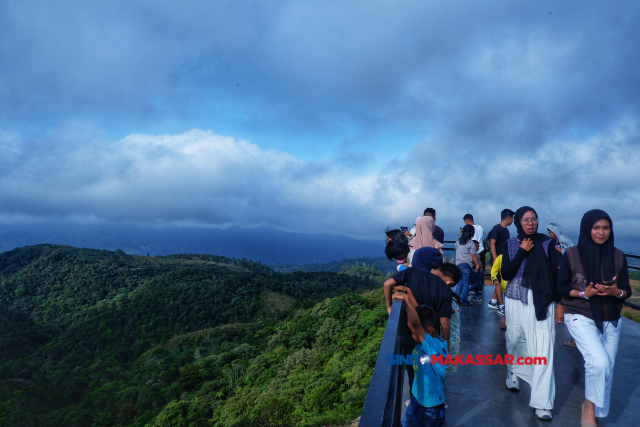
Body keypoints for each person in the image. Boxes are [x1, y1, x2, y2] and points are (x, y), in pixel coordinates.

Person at [555, 210, 632, 427]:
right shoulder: (571, 254)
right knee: (598, 363)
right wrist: (583, 293)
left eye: (606, 228)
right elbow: (561, 287)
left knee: (608, 367)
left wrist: (616, 292)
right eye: (596, 227)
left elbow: (626, 290)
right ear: (587, 229)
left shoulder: (618, 255)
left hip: (611, 316)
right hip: (579, 313)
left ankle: (596, 412)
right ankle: (588, 407)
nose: (601, 232)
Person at [501, 206, 559, 420]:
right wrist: (523, 251)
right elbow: (506, 272)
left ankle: (543, 402)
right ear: (518, 222)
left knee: (542, 349)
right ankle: (514, 371)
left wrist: (560, 303)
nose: (531, 223)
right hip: (515, 299)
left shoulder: (547, 243)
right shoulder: (510, 244)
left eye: (534, 219)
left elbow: (556, 274)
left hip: (541, 300)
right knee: (515, 340)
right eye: (526, 220)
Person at [383, 250, 453, 389]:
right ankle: (433, 399)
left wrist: (389, 307)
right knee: (432, 369)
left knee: (412, 371)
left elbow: (387, 284)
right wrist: (446, 346)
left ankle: (415, 398)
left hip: (411, 334)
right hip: (431, 336)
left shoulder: (411, 272)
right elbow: (444, 322)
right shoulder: (444, 288)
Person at [392, 290, 447, 427]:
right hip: (418, 398)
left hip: (431, 408)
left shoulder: (434, 347)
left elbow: (416, 323)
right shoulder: (430, 340)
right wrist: (409, 293)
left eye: (413, 333)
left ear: (427, 331)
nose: (413, 336)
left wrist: (405, 299)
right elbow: (417, 316)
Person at [488, 209, 514, 312]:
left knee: (500, 281)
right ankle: (501, 306)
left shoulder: (506, 230)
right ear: (508, 218)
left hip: (504, 259)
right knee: (498, 282)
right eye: (512, 218)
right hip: (498, 260)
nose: (512, 221)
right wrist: (495, 258)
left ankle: (493, 301)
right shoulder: (497, 228)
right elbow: (492, 243)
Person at [454, 224, 481, 306]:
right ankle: (464, 301)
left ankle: (456, 300)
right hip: (466, 265)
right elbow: (473, 255)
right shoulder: (471, 243)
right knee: (466, 284)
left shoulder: (457, 242)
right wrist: (477, 264)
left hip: (458, 264)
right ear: (471, 232)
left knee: (460, 283)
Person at [464, 214, 485, 298]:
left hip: (473, 251)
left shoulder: (471, 229)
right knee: (480, 271)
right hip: (481, 249)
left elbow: (471, 240)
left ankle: (471, 289)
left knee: (473, 272)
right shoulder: (480, 227)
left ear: (466, 221)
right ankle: (479, 289)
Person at [491, 254, 508, 329]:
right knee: (508, 305)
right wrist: (494, 279)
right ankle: (504, 320)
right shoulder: (502, 256)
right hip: (507, 286)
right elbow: (494, 269)